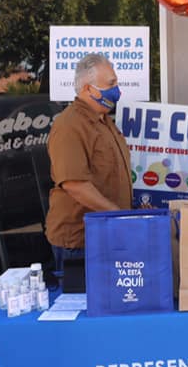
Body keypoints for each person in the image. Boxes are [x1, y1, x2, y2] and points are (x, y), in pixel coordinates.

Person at [45, 53, 132, 273]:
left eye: (116, 83)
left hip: (109, 234)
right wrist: (118, 214)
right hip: (80, 243)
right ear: (87, 89)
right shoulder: (69, 125)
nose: (117, 90)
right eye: (111, 84)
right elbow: (75, 184)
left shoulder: (105, 121)